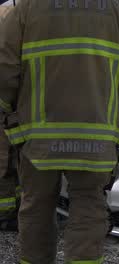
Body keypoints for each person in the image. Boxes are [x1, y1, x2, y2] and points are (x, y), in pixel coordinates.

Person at [0, 0, 119, 263]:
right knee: (89, 214)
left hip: (38, 138)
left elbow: (5, 71)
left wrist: (10, 122)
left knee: (36, 211)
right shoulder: (114, 10)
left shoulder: (26, 8)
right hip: (97, 139)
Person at [0, 4, 20, 232]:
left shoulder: (14, 12)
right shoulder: (11, 13)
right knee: (6, 162)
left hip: (9, 103)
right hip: (8, 105)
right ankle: (6, 213)